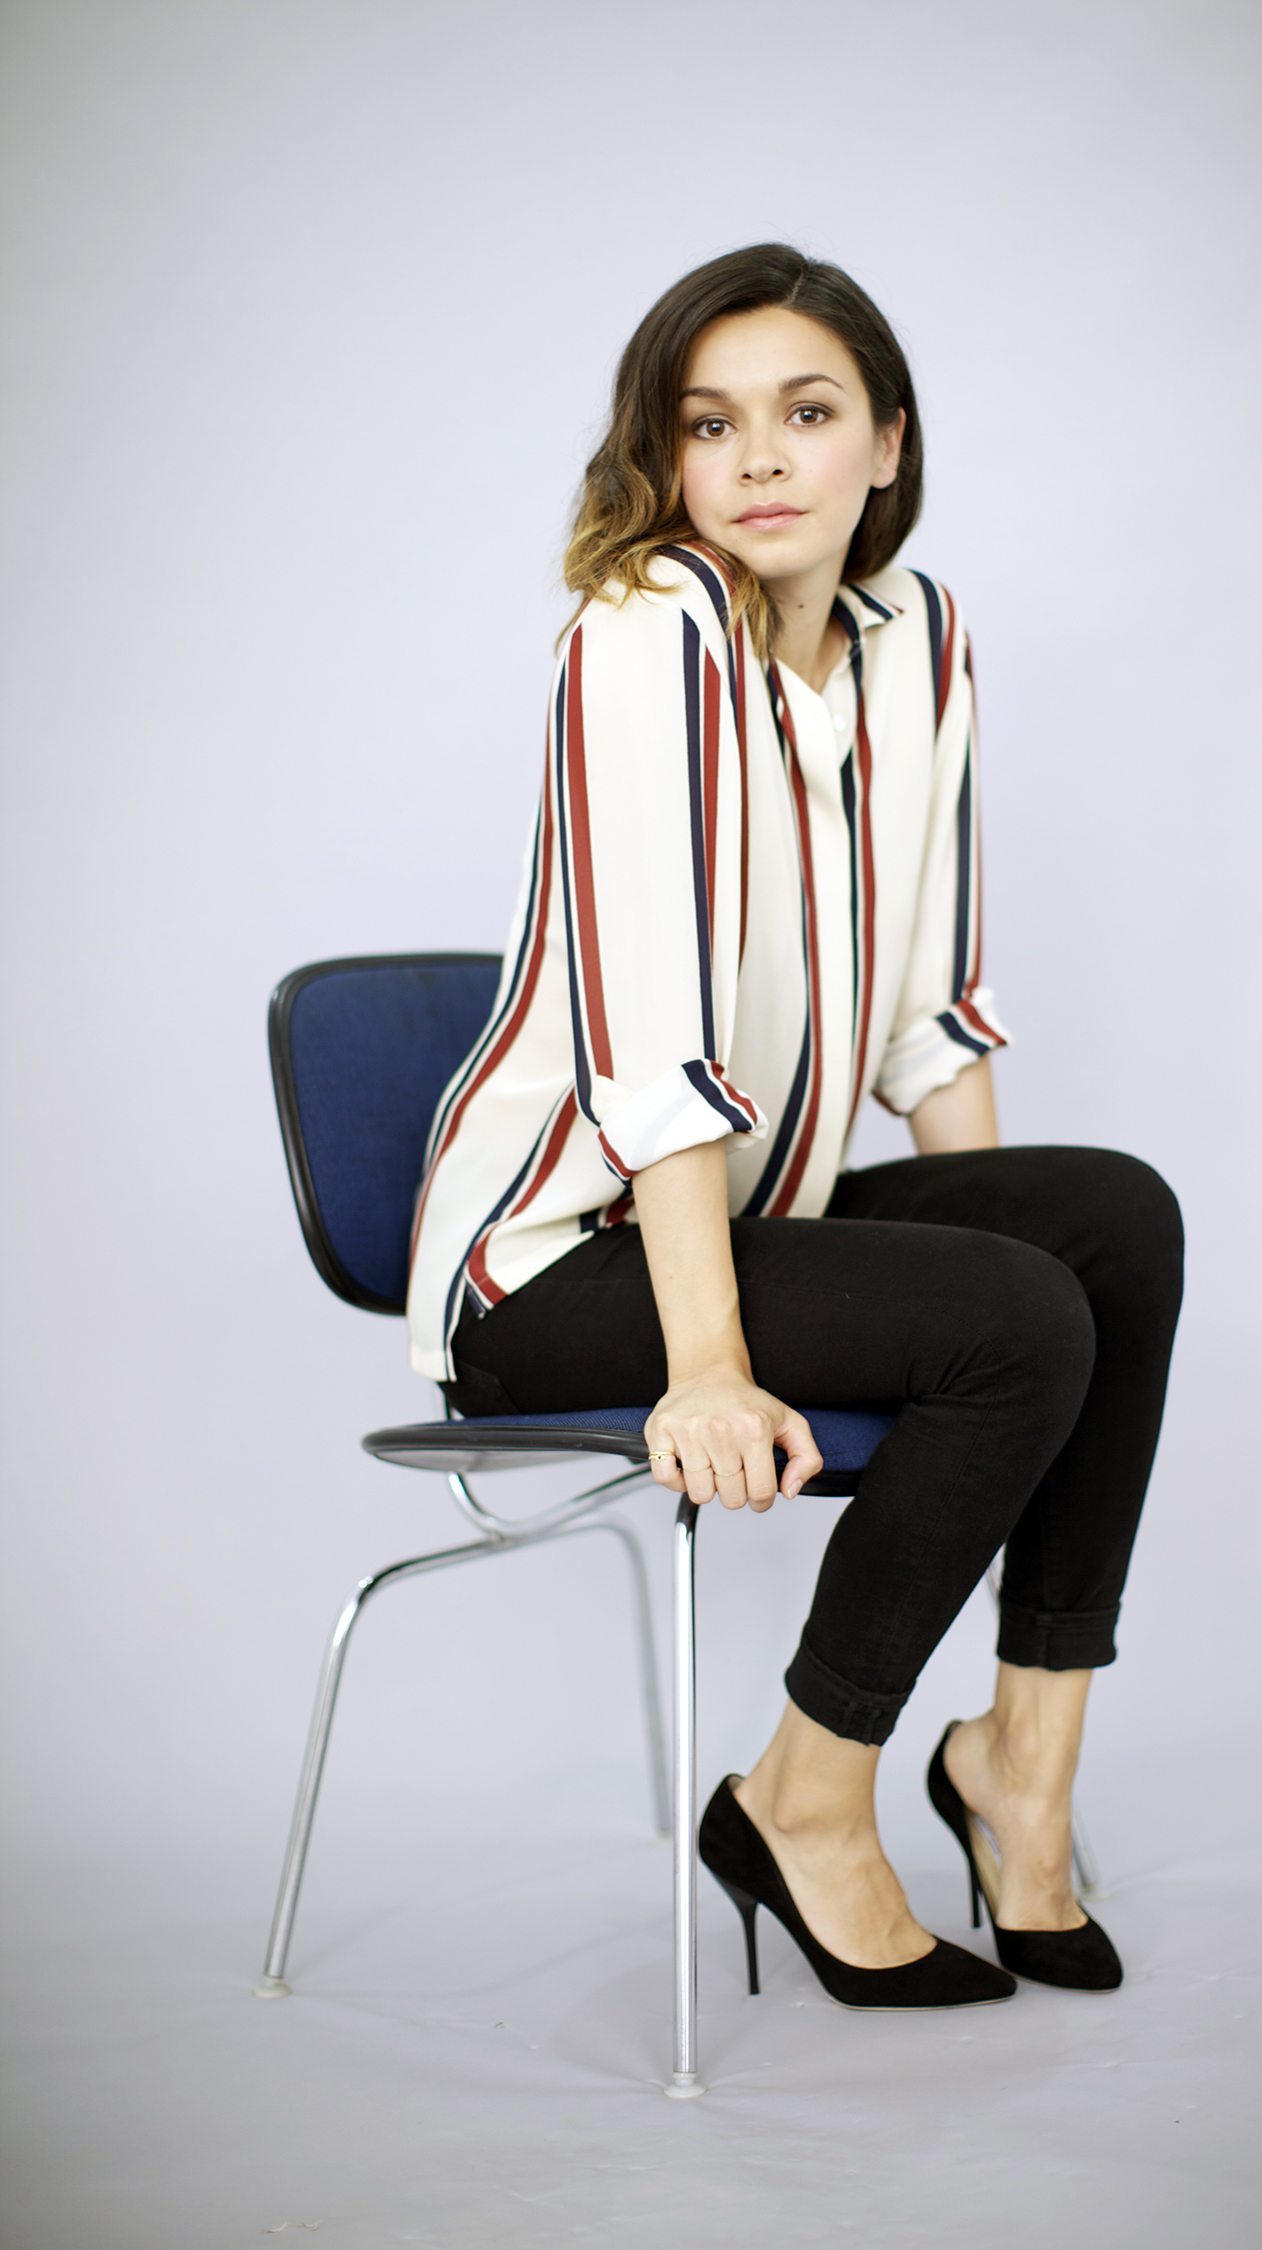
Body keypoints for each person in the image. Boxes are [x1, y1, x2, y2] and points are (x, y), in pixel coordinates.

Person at [407, 244, 1183, 2010]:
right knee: (1018, 1316)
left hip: (753, 1224)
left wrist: (999, 1265)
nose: (759, 456)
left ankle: (1023, 1770)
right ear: (665, 458)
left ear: (886, 443)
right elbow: (649, 1051)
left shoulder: (919, 642)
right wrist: (708, 1364)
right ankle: (803, 1798)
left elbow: (930, 1018)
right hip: (557, 1266)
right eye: (710, 423)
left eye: (807, 412)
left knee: (1110, 1228)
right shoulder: (643, 635)